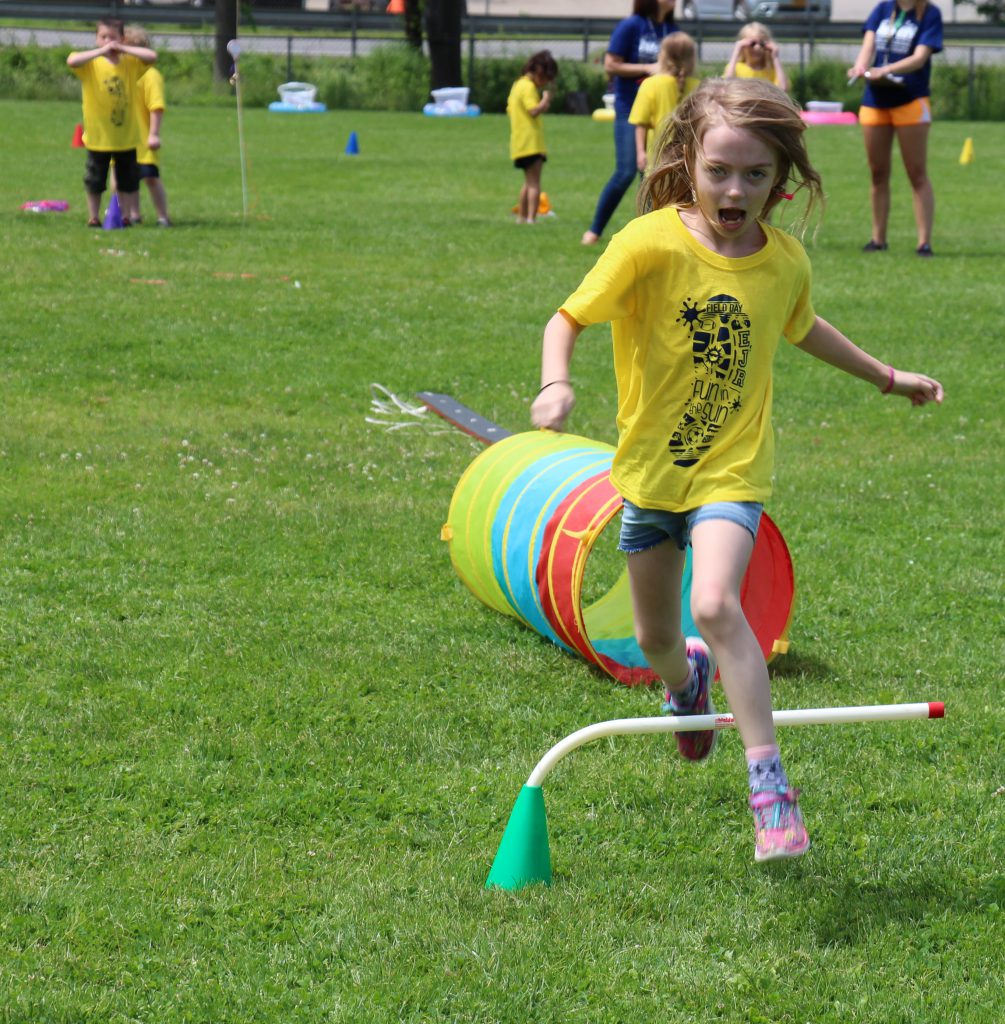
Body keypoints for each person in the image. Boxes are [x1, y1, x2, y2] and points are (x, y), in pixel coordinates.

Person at [530, 79, 943, 862]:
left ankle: (770, 789)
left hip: (731, 473)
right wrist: (557, 381)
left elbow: (804, 328)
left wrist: (888, 377)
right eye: (719, 170)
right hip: (650, 480)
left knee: (716, 603)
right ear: (688, 163)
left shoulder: (781, 261)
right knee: (655, 639)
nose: (734, 189)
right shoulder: (648, 243)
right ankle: (684, 683)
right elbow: (567, 317)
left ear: (779, 183)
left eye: (754, 176)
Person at [849, 0, 943, 256]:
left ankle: (924, 242)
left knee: (917, 173)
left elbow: (919, 58)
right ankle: (878, 239)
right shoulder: (882, 9)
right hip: (875, 100)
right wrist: (861, 66)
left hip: (911, 99)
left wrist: (885, 70)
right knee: (878, 173)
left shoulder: (930, 13)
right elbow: (868, 46)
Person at [581, 0, 676, 246]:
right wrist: (648, 67)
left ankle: (652, 235)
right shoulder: (632, 26)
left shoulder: (673, 30)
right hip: (630, 109)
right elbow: (611, 64)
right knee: (625, 171)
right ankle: (594, 230)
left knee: (654, 175)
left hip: (663, 113)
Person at [67, 18, 157, 227]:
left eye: (113, 37)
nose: (108, 41)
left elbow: (152, 56)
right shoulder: (91, 64)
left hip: (125, 137)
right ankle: (93, 216)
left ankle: (125, 215)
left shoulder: (130, 64)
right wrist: (101, 51)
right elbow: (72, 61)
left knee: (128, 181)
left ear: (122, 38)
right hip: (99, 136)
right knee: (95, 180)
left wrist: (124, 49)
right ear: (97, 39)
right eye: (103, 37)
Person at [629, 32, 699, 175]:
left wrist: (640, 152)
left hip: (657, 162)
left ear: (663, 56)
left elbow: (640, 122)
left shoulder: (650, 85)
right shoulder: (700, 87)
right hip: (692, 163)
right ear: (692, 58)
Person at [123, 26, 171, 227]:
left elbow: (156, 107)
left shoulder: (150, 75)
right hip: (124, 139)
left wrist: (153, 134)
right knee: (127, 180)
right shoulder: (122, 73)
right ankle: (134, 215)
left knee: (150, 177)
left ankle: (163, 216)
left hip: (143, 139)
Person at [507, 50, 558, 225]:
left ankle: (521, 217)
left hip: (519, 142)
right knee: (535, 183)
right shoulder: (528, 87)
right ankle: (531, 218)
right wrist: (545, 100)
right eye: (546, 78)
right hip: (531, 142)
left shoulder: (517, 85)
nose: (544, 83)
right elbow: (533, 110)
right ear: (539, 71)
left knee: (527, 183)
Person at [724, 22, 789, 92]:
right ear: (743, 46)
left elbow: (783, 88)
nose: (757, 47)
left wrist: (775, 57)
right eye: (752, 44)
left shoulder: (771, 69)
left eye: (762, 44)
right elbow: (727, 84)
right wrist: (737, 50)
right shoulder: (736, 67)